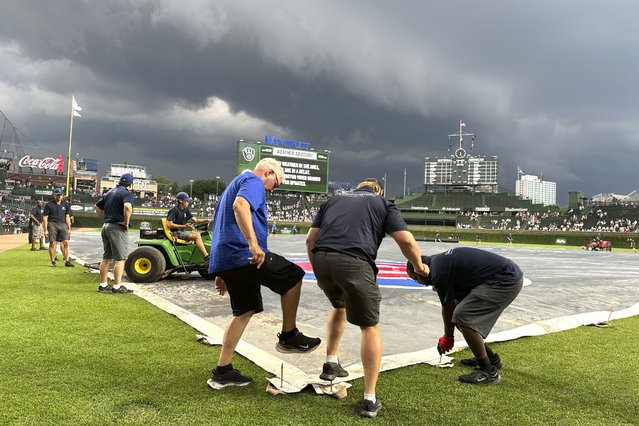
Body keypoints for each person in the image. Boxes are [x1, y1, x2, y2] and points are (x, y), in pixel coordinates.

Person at [306, 178, 428, 418]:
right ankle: (370, 399)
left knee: (338, 305)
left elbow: (311, 239)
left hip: (321, 260)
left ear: (357, 187)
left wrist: (319, 270)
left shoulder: (333, 200)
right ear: (379, 190)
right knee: (370, 327)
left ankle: (331, 362)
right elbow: (405, 239)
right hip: (353, 262)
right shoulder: (382, 203)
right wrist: (419, 265)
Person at [206, 158, 321, 390]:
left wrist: (222, 270)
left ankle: (222, 371)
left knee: (243, 311)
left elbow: (221, 223)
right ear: (268, 173)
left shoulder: (232, 185)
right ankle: (289, 335)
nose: (271, 190)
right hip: (243, 254)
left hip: (227, 258)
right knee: (294, 276)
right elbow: (240, 206)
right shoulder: (253, 180)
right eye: (275, 184)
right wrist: (253, 243)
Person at [406, 247, 524, 385]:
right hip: (502, 275)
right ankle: (490, 359)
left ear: (420, 271)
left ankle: (488, 372)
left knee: (463, 317)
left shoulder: (439, 272)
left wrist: (448, 338)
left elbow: (448, 308)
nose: (419, 282)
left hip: (505, 279)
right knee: (460, 316)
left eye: (416, 279)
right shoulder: (438, 263)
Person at [95, 173, 135, 294]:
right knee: (120, 258)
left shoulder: (110, 192)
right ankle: (117, 287)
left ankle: (103, 285)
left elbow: (97, 206)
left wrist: (105, 218)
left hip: (106, 226)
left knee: (106, 257)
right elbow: (127, 207)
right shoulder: (126, 193)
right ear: (130, 184)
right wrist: (126, 223)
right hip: (117, 227)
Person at [165, 192, 211, 260]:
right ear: (180, 201)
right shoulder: (174, 210)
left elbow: (195, 220)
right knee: (197, 236)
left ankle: (196, 257)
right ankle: (206, 256)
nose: (188, 202)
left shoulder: (186, 210)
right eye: (186, 201)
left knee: (199, 234)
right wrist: (184, 226)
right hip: (175, 233)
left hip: (182, 231)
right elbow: (169, 224)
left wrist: (207, 220)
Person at [43, 188, 74, 267]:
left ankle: (67, 261)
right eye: (58, 195)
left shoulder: (65, 204)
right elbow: (45, 217)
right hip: (52, 223)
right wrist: (45, 229)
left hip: (63, 224)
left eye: (60, 195)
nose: (59, 197)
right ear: (55, 195)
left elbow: (67, 216)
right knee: (53, 243)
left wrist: (69, 227)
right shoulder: (49, 204)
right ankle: (53, 260)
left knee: (66, 242)